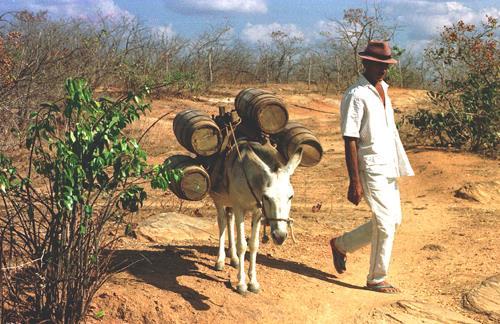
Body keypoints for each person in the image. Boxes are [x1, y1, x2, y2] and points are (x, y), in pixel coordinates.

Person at [330, 40, 414, 293]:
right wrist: (354, 181)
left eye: (386, 65)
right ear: (365, 63)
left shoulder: (384, 90)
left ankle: (341, 245)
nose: (383, 70)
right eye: (378, 64)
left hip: (388, 163)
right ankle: (377, 277)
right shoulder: (356, 95)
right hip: (370, 166)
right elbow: (350, 140)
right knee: (386, 222)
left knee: (392, 220)